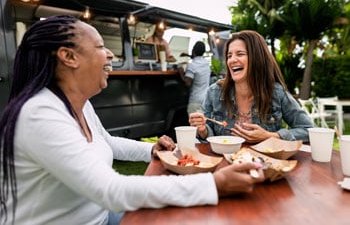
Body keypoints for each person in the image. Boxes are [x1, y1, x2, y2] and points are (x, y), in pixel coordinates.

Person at [0, 16, 264, 225]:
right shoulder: (39, 114)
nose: (111, 55)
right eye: (101, 47)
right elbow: (112, 190)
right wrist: (213, 184)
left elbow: (108, 143)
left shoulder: (78, 105)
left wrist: (151, 149)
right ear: (69, 57)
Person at [189, 30, 313, 143]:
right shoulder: (214, 92)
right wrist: (203, 131)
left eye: (240, 54)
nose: (232, 60)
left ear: (257, 58)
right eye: (229, 55)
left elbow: (308, 130)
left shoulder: (276, 92)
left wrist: (270, 136)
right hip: (225, 165)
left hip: (264, 164)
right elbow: (208, 135)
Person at [178, 41, 211, 115]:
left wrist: (181, 72)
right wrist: (188, 55)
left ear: (193, 51)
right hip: (206, 99)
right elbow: (196, 57)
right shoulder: (206, 64)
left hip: (195, 101)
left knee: (194, 125)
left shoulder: (192, 65)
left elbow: (187, 83)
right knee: (203, 124)